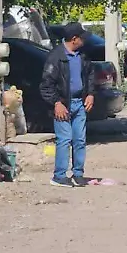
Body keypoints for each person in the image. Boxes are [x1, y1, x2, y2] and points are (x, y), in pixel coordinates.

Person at [40, 22, 94, 188]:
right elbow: (46, 84)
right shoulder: (56, 57)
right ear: (74, 39)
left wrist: (90, 94)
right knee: (64, 139)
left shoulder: (82, 56)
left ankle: (78, 174)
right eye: (81, 38)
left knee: (80, 140)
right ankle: (59, 176)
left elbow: (90, 75)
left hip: (80, 104)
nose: (84, 41)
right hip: (63, 104)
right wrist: (56, 103)